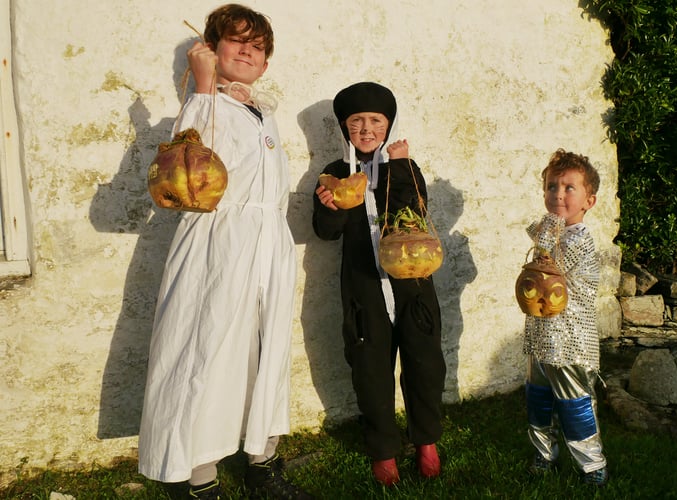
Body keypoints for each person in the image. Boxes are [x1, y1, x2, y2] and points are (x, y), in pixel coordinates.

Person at [138, 5, 311, 499]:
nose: (248, 52)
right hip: (218, 243)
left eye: (257, 47)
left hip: (267, 243)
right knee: (206, 351)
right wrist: (200, 85)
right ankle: (197, 478)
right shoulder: (205, 105)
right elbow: (186, 169)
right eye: (237, 41)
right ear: (212, 48)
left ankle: (263, 460)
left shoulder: (264, 112)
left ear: (266, 62)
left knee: (265, 349)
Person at [312, 82, 446, 486]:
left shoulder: (402, 167)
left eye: (375, 121)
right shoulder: (335, 174)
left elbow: (415, 210)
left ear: (388, 126)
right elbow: (325, 232)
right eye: (357, 122)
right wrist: (330, 207)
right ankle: (383, 449)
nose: (366, 129)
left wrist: (401, 165)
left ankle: (426, 441)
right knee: (371, 371)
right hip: (364, 290)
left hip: (413, 286)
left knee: (424, 365)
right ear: (344, 127)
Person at [522, 149, 608, 487]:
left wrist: (549, 223)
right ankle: (544, 453)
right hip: (541, 336)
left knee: (575, 404)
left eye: (569, 188)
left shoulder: (579, 241)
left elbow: (545, 261)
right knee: (538, 399)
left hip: (570, 342)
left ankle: (592, 465)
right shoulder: (554, 232)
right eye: (552, 186)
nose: (558, 194)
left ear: (590, 200)